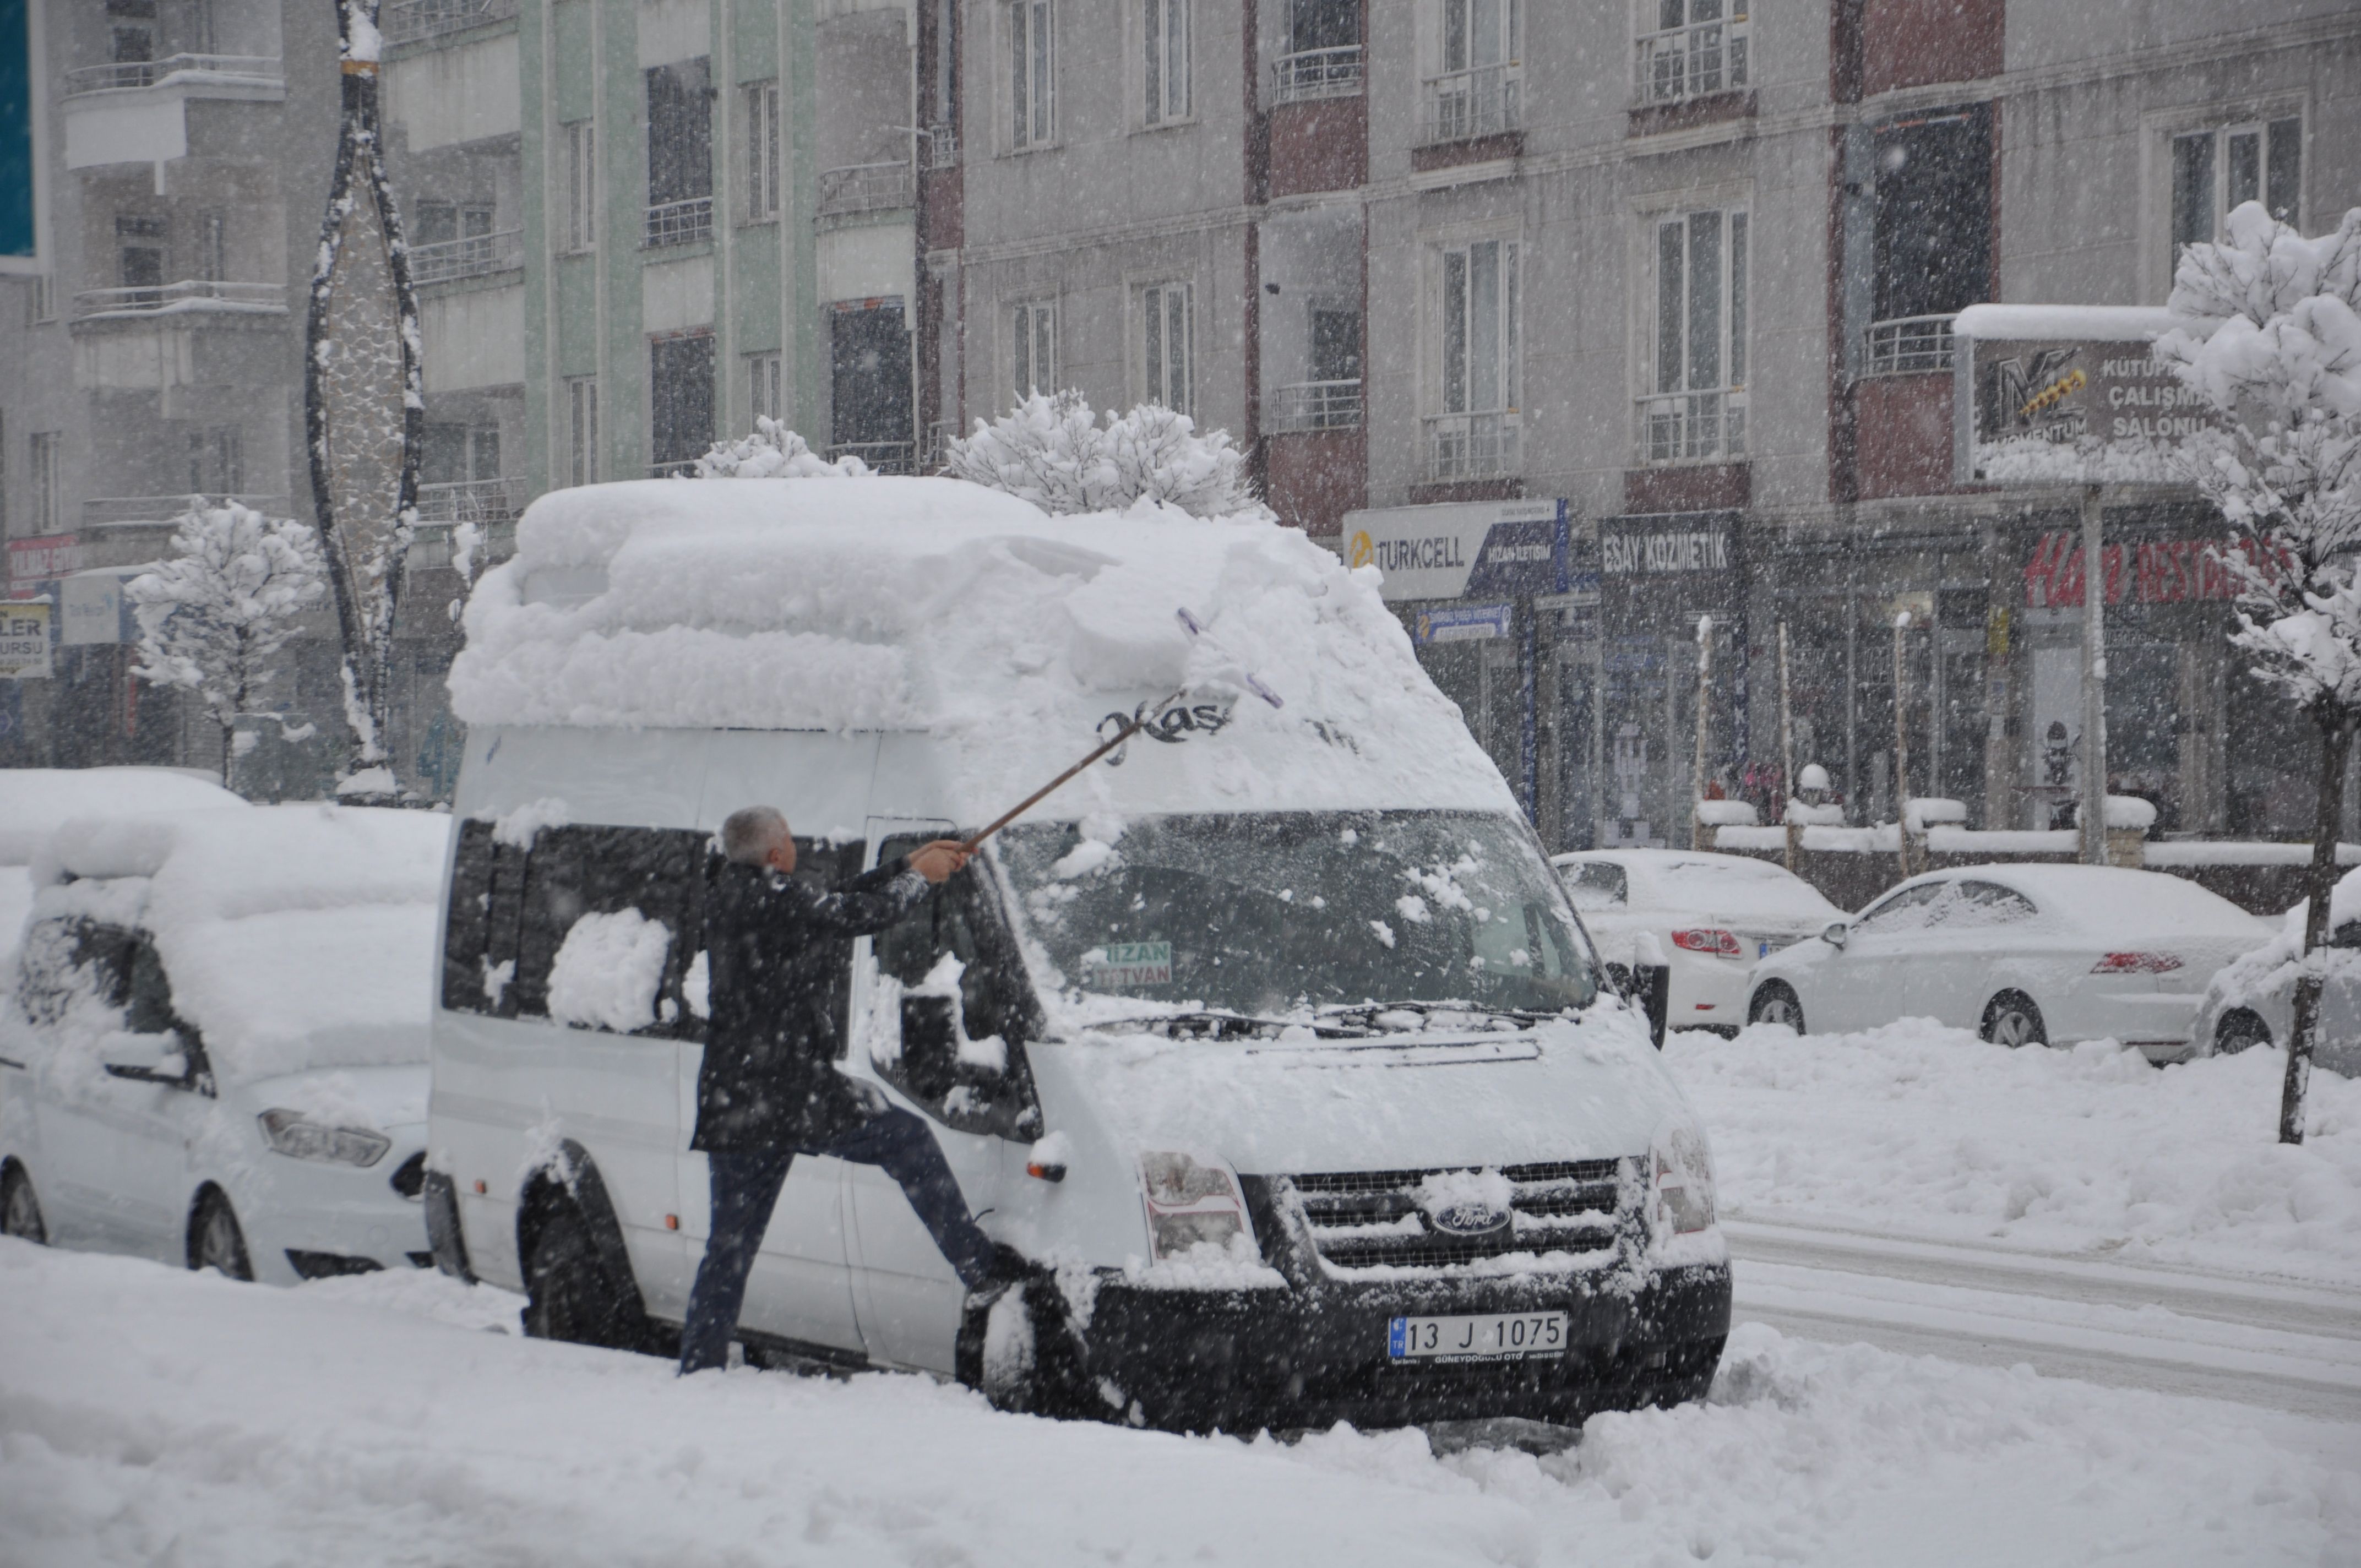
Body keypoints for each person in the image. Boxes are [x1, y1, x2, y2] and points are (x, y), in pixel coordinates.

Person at [679, 805, 1015, 1375]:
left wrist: (908, 864)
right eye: (790, 839)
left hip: (735, 1099)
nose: (795, 846)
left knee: (729, 1246)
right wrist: (919, 880)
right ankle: (981, 1270)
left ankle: (700, 1364)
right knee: (907, 1140)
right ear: (776, 853)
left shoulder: (737, 893)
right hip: (792, 1092)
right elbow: (862, 914)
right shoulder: (770, 899)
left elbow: (832, 901)